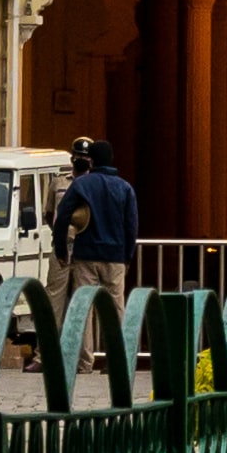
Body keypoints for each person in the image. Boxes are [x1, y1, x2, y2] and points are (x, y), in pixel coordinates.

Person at [55, 137, 140, 322]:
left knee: (82, 310)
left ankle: (84, 351)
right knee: (116, 308)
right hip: (115, 256)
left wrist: (61, 251)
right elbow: (131, 226)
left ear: (91, 161)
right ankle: (118, 348)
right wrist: (127, 257)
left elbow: (62, 216)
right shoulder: (125, 188)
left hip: (85, 254)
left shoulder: (81, 184)